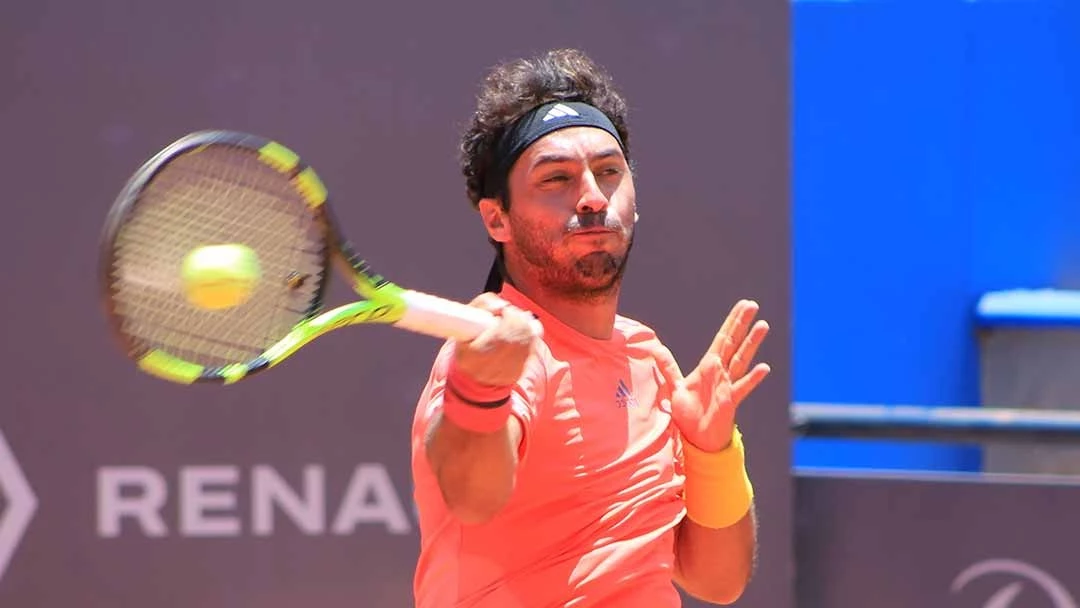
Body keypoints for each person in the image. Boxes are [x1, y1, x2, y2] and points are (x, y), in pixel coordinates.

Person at [409, 48, 771, 608]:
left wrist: (712, 450)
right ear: (497, 218)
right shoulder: (502, 352)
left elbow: (718, 582)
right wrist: (479, 386)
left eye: (608, 172)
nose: (593, 198)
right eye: (556, 178)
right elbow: (472, 500)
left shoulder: (649, 357)